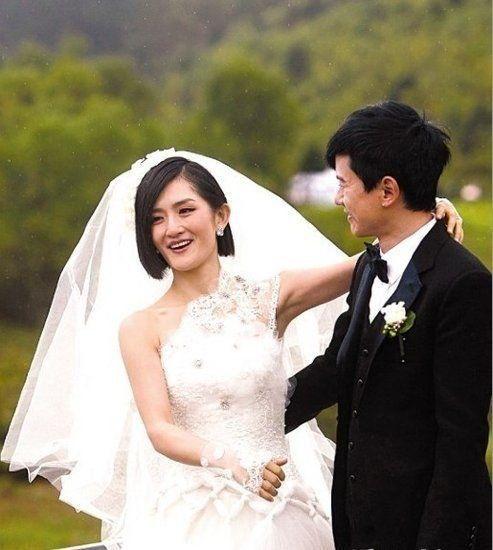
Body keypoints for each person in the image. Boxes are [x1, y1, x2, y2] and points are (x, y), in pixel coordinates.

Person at [0, 147, 461, 550]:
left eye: (185, 210)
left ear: (220, 216)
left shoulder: (269, 298)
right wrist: (232, 463)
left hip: (281, 510)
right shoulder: (141, 327)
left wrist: (423, 219)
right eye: (156, 218)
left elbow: (371, 262)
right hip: (192, 518)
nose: (172, 228)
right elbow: (159, 428)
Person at [283, 101, 492, 550]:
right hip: (360, 523)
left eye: (344, 184)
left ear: (387, 190)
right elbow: (336, 369)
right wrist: (246, 418)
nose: (338, 198)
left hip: (426, 530)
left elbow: (461, 441)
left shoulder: (463, 283)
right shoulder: (368, 266)